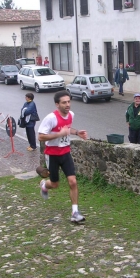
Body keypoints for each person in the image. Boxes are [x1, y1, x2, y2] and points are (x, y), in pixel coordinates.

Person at [37, 90, 88, 222]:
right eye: (64, 102)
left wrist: (77, 132)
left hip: (65, 153)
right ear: (57, 104)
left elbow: (67, 128)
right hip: (52, 155)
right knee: (54, 184)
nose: (67, 105)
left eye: (69, 101)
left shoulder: (71, 115)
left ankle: (75, 212)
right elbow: (41, 136)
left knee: (73, 181)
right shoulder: (51, 118)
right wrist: (59, 134)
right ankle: (44, 185)